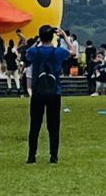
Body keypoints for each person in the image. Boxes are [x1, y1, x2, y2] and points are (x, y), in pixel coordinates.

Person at [26, 25, 75, 165]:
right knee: (53, 126)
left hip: (38, 91)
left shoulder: (34, 51)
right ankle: (53, 156)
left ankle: (32, 156)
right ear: (53, 37)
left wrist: (36, 41)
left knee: (35, 125)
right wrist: (64, 37)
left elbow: (27, 52)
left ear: (40, 36)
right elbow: (73, 52)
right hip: (55, 91)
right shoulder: (58, 52)